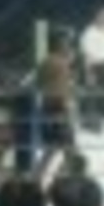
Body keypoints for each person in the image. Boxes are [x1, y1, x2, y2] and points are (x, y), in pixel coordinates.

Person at [34, 36, 77, 180]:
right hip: (58, 106)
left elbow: (39, 83)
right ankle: (67, 178)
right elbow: (62, 89)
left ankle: (38, 176)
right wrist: (67, 106)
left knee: (53, 148)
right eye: (66, 45)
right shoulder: (61, 64)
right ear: (60, 47)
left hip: (47, 105)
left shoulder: (45, 61)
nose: (69, 48)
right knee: (68, 148)